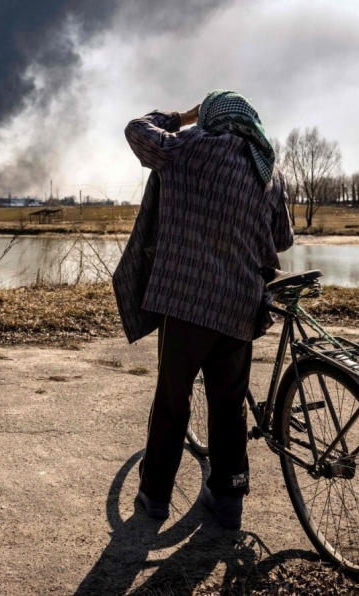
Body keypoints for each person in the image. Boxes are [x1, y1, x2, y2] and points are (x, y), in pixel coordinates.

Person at [112, 90, 294, 527]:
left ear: (211, 118)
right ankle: (228, 500)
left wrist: (179, 117)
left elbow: (136, 131)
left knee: (174, 399)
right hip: (240, 307)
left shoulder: (190, 147)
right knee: (229, 405)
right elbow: (282, 240)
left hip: (187, 299)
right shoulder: (269, 169)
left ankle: (155, 497)